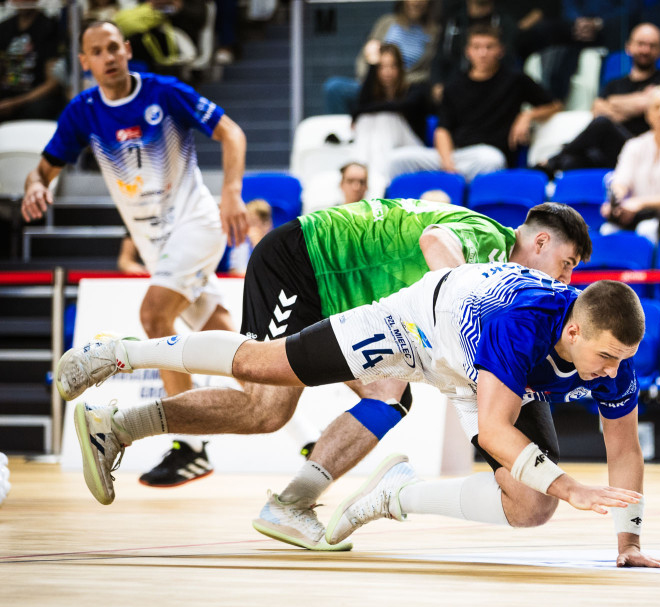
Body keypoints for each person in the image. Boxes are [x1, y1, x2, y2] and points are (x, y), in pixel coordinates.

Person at [59, 259, 660, 570]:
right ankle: (115, 352)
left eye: (620, 359)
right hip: (415, 327)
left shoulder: (611, 353)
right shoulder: (522, 324)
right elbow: (493, 430)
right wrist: (571, 485)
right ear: (573, 329)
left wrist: (629, 542)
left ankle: (396, 493)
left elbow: (623, 447)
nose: (611, 370)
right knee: (262, 369)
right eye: (603, 357)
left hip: (477, 368)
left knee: (531, 505)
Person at [56, 199, 591, 503]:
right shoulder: (486, 239)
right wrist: (463, 333)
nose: (566, 279)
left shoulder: (507, 277)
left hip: (344, 297)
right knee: (265, 405)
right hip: (303, 261)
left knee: (389, 396)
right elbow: (438, 250)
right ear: (541, 242)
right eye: (567, 264)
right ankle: (118, 381)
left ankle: (294, 503)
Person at [21, 20, 250, 487]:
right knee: (233, 343)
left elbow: (232, 133)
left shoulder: (164, 93)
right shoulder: (82, 111)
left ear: (126, 51)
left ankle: (188, 445)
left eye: (113, 48)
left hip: (196, 224)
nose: (107, 57)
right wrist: (33, 187)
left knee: (154, 316)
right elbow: (43, 169)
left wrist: (231, 191)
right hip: (154, 244)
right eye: (96, 52)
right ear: (84, 62)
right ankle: (307, 432)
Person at [389, 24, 561, 181]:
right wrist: (448, 163)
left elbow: (555, 105)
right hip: (455, 156)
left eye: (489, 47)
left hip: (488, 156)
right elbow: (443, 130)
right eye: (477, 47)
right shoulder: (453, 86)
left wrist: (527, 115)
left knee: (490, 160)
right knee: (397, 159)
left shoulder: (515, 80)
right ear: (468, 51)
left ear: (500, 50)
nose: (483, 53)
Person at [540, 23, 660, 174]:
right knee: (570, 162)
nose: (645, 50)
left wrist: (614, 104)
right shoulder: (614, 84)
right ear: (628, 47)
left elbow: (642, 105)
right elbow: (597, 111)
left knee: (604, 124)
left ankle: (552, 159)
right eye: (641, 44)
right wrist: (637, 102)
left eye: (652, 45)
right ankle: (551, 165)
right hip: (610, 152)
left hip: (641, 150)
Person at [601, 84, 660, 242]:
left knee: (647, 230)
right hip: (635, 213)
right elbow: (621, 180)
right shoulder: (634, 145)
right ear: (648, 115)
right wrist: (616, 202)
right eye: (657, 107)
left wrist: (638, 203)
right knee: (607, 230)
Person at [323, 0, 439, 115]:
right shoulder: (386, 22)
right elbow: (366, 54)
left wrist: (399, 82)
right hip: (374, 83)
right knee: (334, 88)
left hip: (403, 90)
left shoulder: (434, 32)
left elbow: (428, 71)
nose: (416, 2)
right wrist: (369, 78)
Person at [351, 44, 432, 194]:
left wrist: (362, 112)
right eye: (381, 67)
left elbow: (401, 107)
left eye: (392, 66)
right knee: (366, 119)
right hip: (382, 151)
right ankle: (363, 172)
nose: (387, 72)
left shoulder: (415, 90)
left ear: (401, 68)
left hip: (411, 149)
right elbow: (359, 108)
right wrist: (371, 66)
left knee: (384, 117)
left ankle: (374, 181)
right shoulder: (373, 95)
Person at [0, 0, 66, 121]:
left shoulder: (50, 27)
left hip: (35, 99)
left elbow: (53, 83)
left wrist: (16, 103)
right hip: (7, 95)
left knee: (40, 109)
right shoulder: (4, 28)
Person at [228, 199, 274, 276]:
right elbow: (233, 272)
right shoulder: (242, 244)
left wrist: (258, 246)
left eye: (253, 223)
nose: (248, 229)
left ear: (266, 225)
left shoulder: (277, 245)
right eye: (246, 223)